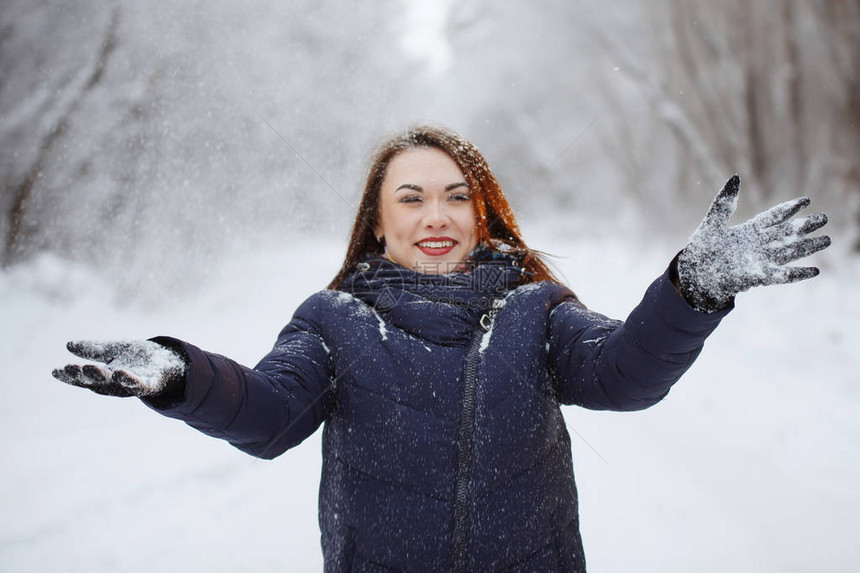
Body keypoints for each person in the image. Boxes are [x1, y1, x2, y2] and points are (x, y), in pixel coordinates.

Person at [52, 125, 831, 572]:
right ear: (378, 222)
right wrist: (180, 374)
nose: (438, 214)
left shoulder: (536, 311)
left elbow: (623, 373)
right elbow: (268, 413)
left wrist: (690, 291)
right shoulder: (335, 320)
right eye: (412, 196)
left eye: (458, 196)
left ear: (483, 215)